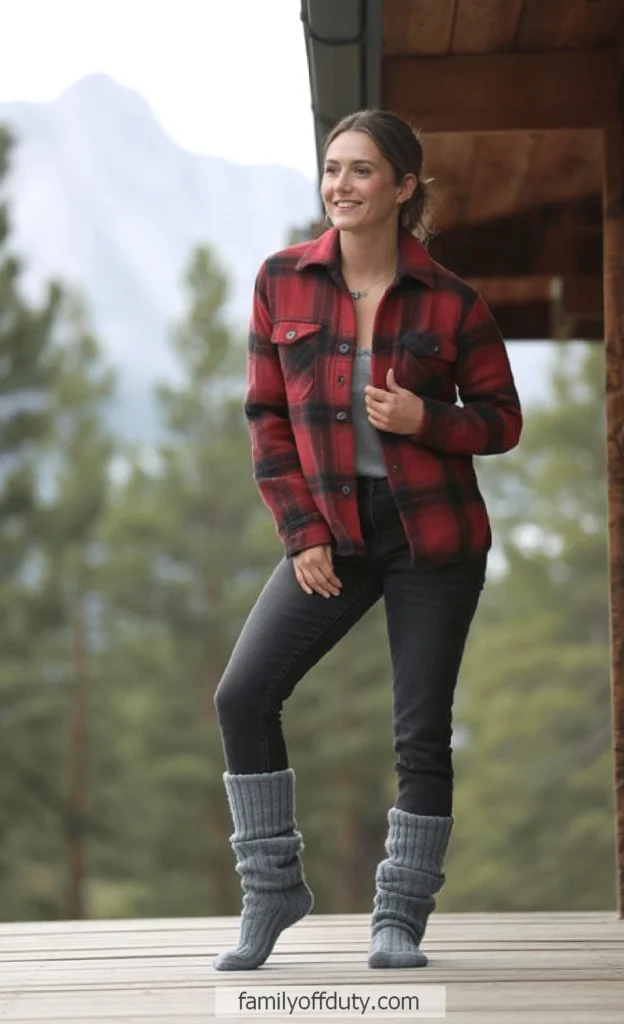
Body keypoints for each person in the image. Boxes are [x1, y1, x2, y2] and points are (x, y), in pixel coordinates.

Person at [212, 109, 523, 972]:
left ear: (402, 187)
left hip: (434, 538)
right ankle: (272, 888)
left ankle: (399, 917)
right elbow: (266, 419)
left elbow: (503, 422)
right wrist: (301, 532)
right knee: (242, 696)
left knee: (419, 733)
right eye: (330, 168)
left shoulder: (452, 301)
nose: (339, 185)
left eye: (359, 171)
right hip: (334, 537)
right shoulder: (283, 281)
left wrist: (429, 418)